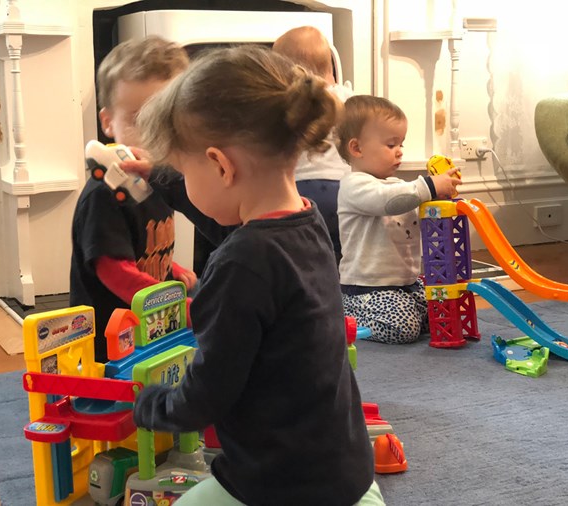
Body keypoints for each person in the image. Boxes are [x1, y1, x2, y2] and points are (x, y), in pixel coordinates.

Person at [132, 46, 384, 506]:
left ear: (220, 165)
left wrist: (152, 405)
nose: (181, 179)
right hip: (345, 468)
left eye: (183, 170)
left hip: (279, 485)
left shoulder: (240, 267)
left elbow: (206, 395)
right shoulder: (306, 224)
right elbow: (233, 231)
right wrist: (161, 179)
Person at [70, 36, 224, 363]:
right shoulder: (105, 192)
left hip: (150, 329)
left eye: (166, 120)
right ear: (108, 122)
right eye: (139, 120)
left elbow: (141, 247)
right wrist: (176, 306)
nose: (154, 134)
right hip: (111, 342)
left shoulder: (159, 180)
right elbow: (114, 270)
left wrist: (172, 268)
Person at [336, 95, 461, 345]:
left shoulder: (397, 186)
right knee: (404, 328)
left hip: (405, 284)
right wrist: (428, 186)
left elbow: (407, 202)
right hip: (367, 289)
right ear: (357, 148)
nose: (400, 151)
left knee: (440, 313)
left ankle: (402, 310)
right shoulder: (355, 186)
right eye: (391, 144)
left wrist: (440, 197)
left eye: (401, 143)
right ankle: (345, 316)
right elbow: (387, 201)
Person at [273, 26, 354, 264]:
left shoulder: (286, 103)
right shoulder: (347, 96)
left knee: (306, 253)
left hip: (298, 192)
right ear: (330, 64)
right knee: (344, 253)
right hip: (344, 190)